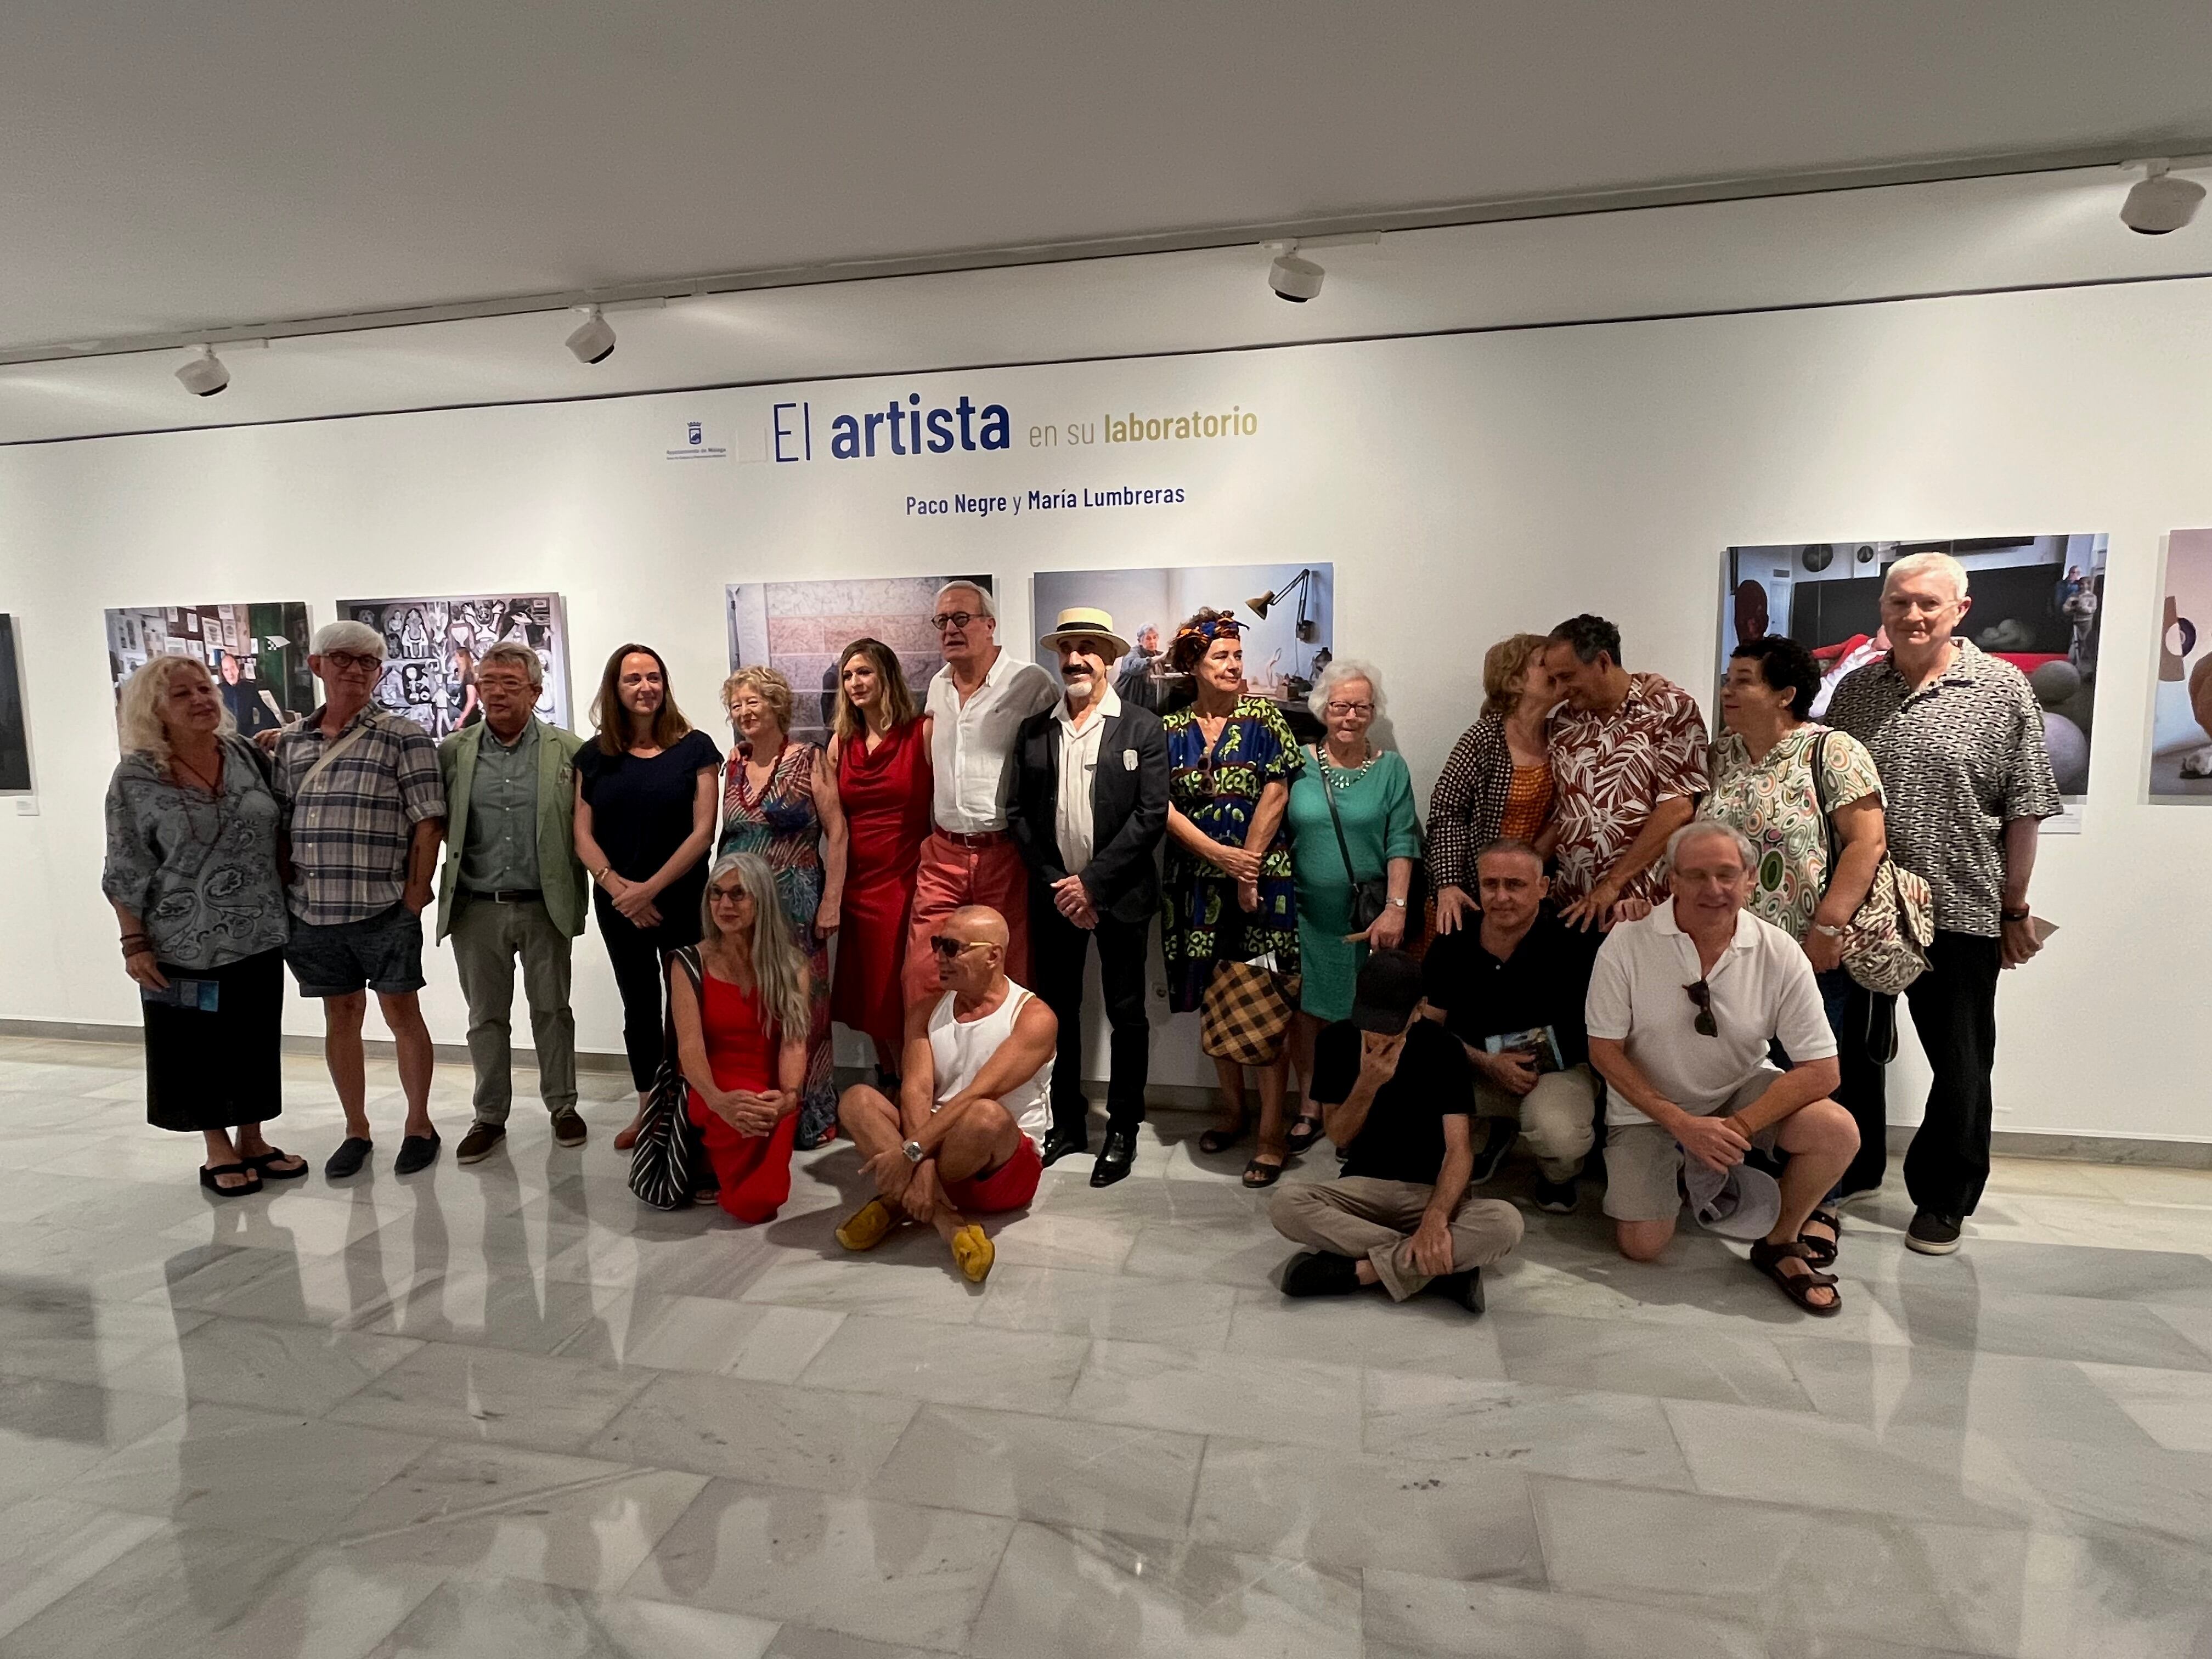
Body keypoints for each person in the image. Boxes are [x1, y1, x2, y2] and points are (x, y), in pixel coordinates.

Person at [1825, 551, 2061, 1256]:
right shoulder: (1856, 693)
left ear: (1961, 609)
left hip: (1960, 908)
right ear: (1883, 610)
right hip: (1864, 907)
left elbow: (2026, 809)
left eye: (1929, 602)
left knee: (1960, 1059)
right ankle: (1853, 1164)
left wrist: (2014, 909)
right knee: (1851, 1052)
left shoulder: (2001, 691)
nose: (1913, 615)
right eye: (1900, 602)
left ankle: (1944, 1195)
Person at [1585, 821, 1860, 1314]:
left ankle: (1778, 1239)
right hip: (1647, 1107)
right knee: (1642, 1247)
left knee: (1837, 1130)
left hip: (1739, 1093)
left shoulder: (1780, 952)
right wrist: (1682, 1125)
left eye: (1727, 875)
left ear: (1751, 880)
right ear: (1671, 880)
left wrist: (1734, 1127)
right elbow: (1604, 1050)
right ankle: (1683, 1175)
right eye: (1696, 876)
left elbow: (1823, 1070)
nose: (1713, 890)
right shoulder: (1627, 943)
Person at [1701, 634, 1888, 1230]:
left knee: (1807, 1082)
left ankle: (1815, 1208)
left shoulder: (1832, 751)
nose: (1730, 690)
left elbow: (1867, 842)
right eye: (1729, 679)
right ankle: (1741, 1193)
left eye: (1745, 679)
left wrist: (1829, 927)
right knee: (1741, 1079)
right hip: (1726, 957)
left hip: (1804, 956)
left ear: (1786, 693)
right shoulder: (1722, 755)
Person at [103, 655, 303, 1196]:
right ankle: (217, 1146)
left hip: (258, 934)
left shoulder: (244, 755)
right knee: (194, 1046)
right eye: (182, 695)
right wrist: (133, 942)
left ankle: (254, 1139)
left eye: (204, 689)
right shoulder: (137, 775)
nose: (200, 700)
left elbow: (281, 828)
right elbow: (125, 866)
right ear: (155, 711)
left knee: (253, 1039)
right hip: (178, 945)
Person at [271, 620, 446, 1178]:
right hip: (313, 910)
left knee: (402, 1013)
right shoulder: (291, 743)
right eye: (341, 658)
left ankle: (419, 1123)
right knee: (340, 1015)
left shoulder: (403, 735)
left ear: (379, 673)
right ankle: (356, 1128)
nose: (353, 669)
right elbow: (280, 822)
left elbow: (428, 822)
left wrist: (415, 895)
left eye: (367, 662)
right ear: (317, 665)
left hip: (384, 907)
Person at [1006, 607, 1169, 1186]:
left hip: (1118, 896)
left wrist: (1092, 884)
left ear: (1111, 657)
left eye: (1088, 648)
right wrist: (1060, 883)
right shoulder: (1035, 730)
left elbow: (1150, 818)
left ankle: (1123, 1127)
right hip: (1055, 898)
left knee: (1127, 1015)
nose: (1075, 659)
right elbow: (1018, 813)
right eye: (1067, 648)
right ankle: (1066, 1124)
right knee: (1056, 1014)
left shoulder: (1144, 729)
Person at [1269, 950, 1523, 1312]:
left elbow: (1458, 1150)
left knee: (1506, 1223)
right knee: (1285, 1205)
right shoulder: (1336, 1042)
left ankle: (1364, 1272)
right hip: (1361, 1189)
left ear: (1418, 1009)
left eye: (1389, 1023)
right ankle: (1438, 1267)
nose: (1375, 1032)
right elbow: (1339, 1136)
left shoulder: (1443, 1049)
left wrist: (1436, 1217)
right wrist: (1367, 1085)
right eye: (1368, 1018)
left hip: (1427, 1192)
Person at [1159, 609, 1304, 1187]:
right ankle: (1232, 1113)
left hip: (1262, 887)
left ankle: (1271, 1134)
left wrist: (1246, 866)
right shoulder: (1168, 729)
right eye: (1221, 657)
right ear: (1193, 664)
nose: (1234, 666)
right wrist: (1219, 859)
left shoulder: (1264, 716)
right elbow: (1160, 805)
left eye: (1238, 657)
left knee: (1266, 1008)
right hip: (1192, 887)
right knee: (1217, 1000)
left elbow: (1277, 789)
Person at [833, 905, 1054, 1284]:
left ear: (993, 956)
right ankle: (947, 1221)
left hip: (998, 1164)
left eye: (953, 948)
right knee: (857, 1100)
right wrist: (922, 1162)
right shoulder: (925, 1010)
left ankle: (895, 1201)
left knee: (984, 1113)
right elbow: (916, 1091)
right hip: (934, 1153)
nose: (939, 957)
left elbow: (977, 1094)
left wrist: (913, 1156)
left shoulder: (1034, 1018)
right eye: (938, 944)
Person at [434, 641, 589, 1164]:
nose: (495, 692)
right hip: (477, 906)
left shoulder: (568, 750)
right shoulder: (454, 751)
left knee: (552, 1009)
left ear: (536, 692)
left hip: (545, 903)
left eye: (509, 683)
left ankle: (563, 1107)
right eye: (487, 681)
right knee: (485, 1017)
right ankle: (489, 1116)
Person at [573, 644, 721, 1151]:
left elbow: (703, 833)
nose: (645, 687)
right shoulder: (593, 756)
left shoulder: (696, 747)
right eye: (632, 679)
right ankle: (647, 1107)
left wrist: (650, 889)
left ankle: (687, 1105)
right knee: (638, 1005)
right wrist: (619, 890)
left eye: (653, 677)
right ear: (615, 689)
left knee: (686, 1007)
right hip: (619, 906)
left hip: (682, 899)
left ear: (665, 684)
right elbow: (582, 836)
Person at [1419, 839, 1604, 1214]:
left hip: (1557, 1072)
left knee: (1560, 1134)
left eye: (1515, 885)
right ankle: (1489, 1134)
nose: (1501, 897)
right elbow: (1427, 1030)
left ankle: (1557, 1175)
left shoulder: (1576, 940)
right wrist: (1485, 1063)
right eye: (1491, 884)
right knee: (1412, 1098)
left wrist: (1638, 910)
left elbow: (1599, 1030)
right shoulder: (1453, 938)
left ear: (1543, 887)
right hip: (1472, 1068)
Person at [1283, 659, 1418, 1154]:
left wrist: (1397, 908)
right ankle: (1310, 1107)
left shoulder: (1390, 769)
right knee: (1307, 1014)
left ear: (1373, 713)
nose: (1350, 716)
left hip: (1366, 919)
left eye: (1361, 707)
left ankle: (1357, 1111)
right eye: (1340, 706)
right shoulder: (1295, 761)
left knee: (1361, 1015)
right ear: (1323, 709)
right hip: (1303, 913)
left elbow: (1402, 841)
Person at [716, 664, 847, 1147]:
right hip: (740, 911)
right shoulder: (731, 764)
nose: (745, 713)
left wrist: (832, 900)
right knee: (750, 1008)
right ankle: (755, 1107)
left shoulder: (809, 758)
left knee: (802, 1010)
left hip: (796, 905)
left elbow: (838, 831)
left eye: (753, 702)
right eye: (736, 705)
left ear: (776, 705)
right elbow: (726, 837)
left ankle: (809, 1115)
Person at [910, 582, 1059, 985]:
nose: (950, 629)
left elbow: (1053, 769)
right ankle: (932, 1051)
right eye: (941, 621)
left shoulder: (1031, 683)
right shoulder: (938, 687)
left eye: (961, 618)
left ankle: (1002, 1051)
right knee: (925, 974)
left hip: (1004, 856)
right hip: (943, 854)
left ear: (990, 624)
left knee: (1004, 975)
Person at [669, 853, 812, 1223]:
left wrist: (789, 1098)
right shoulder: (689, 963)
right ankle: (709, 1151)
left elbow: (794, 1042)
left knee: (763, 1200)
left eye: (738, 894)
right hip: (713, 1088)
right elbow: (689, 1049)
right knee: (750, 1205)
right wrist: (718, 1101)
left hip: (769, 1096)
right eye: (716, 894)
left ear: (761, 899)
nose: (724, 905)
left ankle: (715, 1162)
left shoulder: (793, 965)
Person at [1542, 614, 1710, 928]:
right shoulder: (1563, 722)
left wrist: (1612, 884)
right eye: (1554, 680)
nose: (1560, 690)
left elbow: (1677, 808)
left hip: (1644, 905)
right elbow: (1563, 810)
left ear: (1603, 662)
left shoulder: (1670, 709)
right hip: (1572, 906)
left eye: (1567, 676)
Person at [825, 637, 934, 1078]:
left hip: (907, 878)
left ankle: (914, 1087)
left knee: (899, 992)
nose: (855, 683)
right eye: (848, 675)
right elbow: (832, 823)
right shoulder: (840, 743)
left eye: (864, 672)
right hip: (858, 884)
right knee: (870, 991)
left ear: (887, 676)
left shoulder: (921, 732)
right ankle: (889, 1079)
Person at [1427, 633, 1559, 935]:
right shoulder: (1484, 738)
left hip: (1528, 893)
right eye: (1543, 664)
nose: (1554, 670)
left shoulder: (1562, 735)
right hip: (1474, 892)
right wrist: (1448, 884)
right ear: (1515, 682)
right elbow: (1447, 812)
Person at [214, 648, 284, 738]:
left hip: (247, 736)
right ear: (223, 672)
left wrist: (276, 730)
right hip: (226, 736)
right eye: (226, 670)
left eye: (232, 668)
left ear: (238, 668)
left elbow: (264, 710)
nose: (230, 673)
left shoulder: (249, 688)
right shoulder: (218, 691)